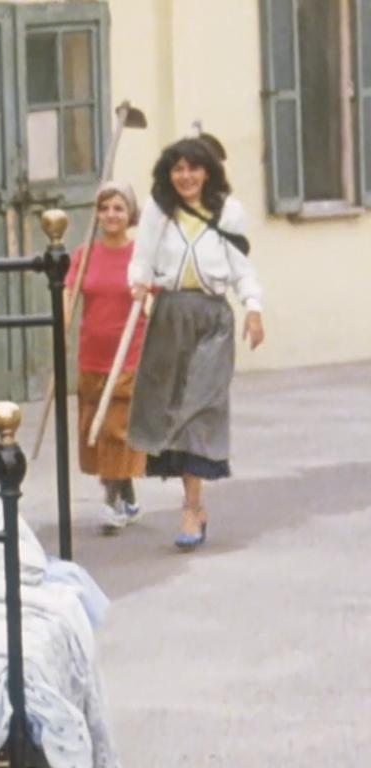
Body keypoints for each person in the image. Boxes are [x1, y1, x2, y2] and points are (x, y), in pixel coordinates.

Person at [127, 138, 265, 550]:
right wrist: (137, 283)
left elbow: (242, 266)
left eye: (193, 168)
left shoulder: (228, 211)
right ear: (168, 174)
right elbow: (142, 257)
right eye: (178, 169)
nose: (185, 176)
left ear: (207, 172)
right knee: (171, 407)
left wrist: (253, 308)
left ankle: (191, 508)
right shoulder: (158, 210)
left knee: (200, 406)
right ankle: (192, 502)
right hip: (169, 314)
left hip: (213, 318)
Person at [67, 181, 148, 535]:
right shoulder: (84, 254)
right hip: (92, 354)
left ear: (130, 214)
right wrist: (62, 324)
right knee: (95, 430)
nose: (111, 215)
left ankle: (111, 501)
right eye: (104, 208)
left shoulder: (141, 256)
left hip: (128, 355)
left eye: (118, 208)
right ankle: (128, 497)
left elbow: (156, 295)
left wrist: (146, 290)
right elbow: (70, 292)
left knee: (115, 426)